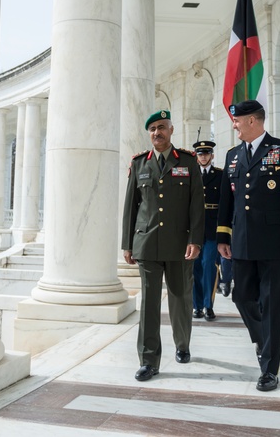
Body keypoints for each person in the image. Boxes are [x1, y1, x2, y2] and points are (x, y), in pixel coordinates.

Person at [217, 100, 280, 392]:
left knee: (272, 307)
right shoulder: (232, 156)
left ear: (253, 121)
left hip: (275, 244)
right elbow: (226, 202)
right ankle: (262, 337)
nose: (234, 125)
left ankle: (269, 368)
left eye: (237, 121)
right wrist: (222, 236)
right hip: (242, 244)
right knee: (241, 298)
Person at [122, 110, 205, 382]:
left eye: (162, 127)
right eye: (153, 129)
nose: (157, 132)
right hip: (146, 244)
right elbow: (130, 207)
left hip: (180, 244)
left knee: (181, 298)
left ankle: (182, 344)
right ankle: (148, 359)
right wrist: (127, 244)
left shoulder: (188, 162)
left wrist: (195, 240)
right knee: (149, 304)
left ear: (171, 130)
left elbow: (196, 205)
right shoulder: (138, 164)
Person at [192, 139, 221, 321]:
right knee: (195, 268)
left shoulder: (220, 175)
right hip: (194, 227)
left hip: (212, 227)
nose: (203, 157)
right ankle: (197, 306)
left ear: (212, 155)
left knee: (209, 265)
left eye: (206, 153)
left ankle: (208, 305)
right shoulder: (190, 174)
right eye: (200, 154)